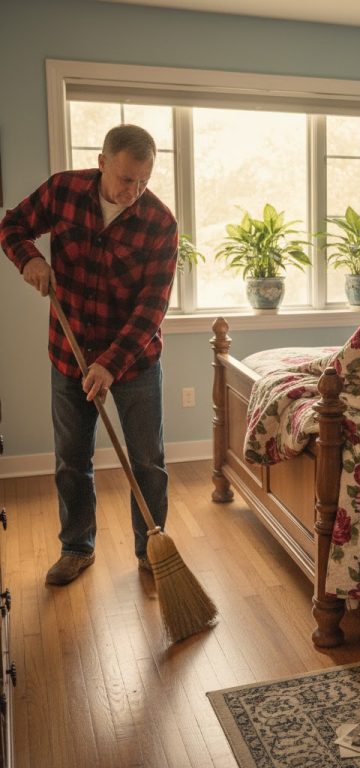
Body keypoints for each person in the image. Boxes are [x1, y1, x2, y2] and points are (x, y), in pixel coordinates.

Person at [0, 124, 178, 586]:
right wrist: (30, 259)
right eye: (125, 179)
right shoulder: (63, 191)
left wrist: (109, 365)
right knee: (71, 458)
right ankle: (77, 548)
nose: (133, 192)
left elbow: (151, 308)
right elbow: (12, 225)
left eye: (143, 181)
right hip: (69, 350)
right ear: (101, 163)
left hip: (134, 362)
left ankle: (149, 552)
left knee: (147, 462)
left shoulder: (160, 223)